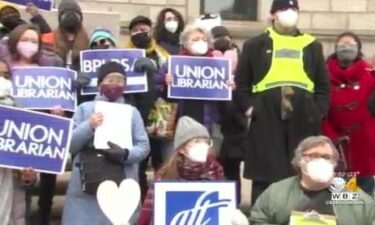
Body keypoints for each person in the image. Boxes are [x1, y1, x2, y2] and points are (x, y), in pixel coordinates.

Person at [235, 0, 330, 205]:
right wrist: (251, 108)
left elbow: (323, 85)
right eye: (284, 9)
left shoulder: (312, 45)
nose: (290, 13)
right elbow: (242, 82)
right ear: (273, 15)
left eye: (294, 9)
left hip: (304, 113)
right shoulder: (255, 45)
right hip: (266, 113)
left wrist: (318, 111)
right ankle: (263, 214)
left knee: (303, 167)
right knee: (265, 169)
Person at [62, 61, 150, 225]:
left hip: (121, 177)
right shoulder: (84, 109)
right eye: (110, 80)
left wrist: (126, 154)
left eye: (120, 80)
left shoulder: (132, 112)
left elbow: (144, 147)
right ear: (99, 84)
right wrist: (88, 126)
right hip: (87, 180)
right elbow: (69, 144)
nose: (115, 84)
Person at [0, 23, 64, 225]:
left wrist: (55, 112)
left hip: (31, 139)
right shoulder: (5, 66)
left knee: (22, 194)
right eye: (24, 40)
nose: (29, 45)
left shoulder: (46, 70)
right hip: (7, 135)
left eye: (34, 41)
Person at [249, 136, 375, 225]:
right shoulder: (276, 193)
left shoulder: (356, 198)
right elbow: (258, 220)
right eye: (313, 155)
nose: (320, 160)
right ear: (299, 160)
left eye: (326, 157)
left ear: (334, 163)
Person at [138, 116, 225, 225]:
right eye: (197, 141)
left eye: (205, 141)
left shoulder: (216, 170)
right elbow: (147, 214)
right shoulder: (165, 175)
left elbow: (222, 209)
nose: (203, 145)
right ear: (182, 149)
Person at [322, 32, 375, 197]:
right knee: (342, 200)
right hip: (336, 147)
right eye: (342, 45)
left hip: (365, 146)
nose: (346, 48)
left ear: (358, 49)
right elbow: (320, 110)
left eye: (351, 45)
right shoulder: (323, 75)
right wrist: (331, 136)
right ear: (335, 48)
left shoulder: (369, 75)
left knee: (364, 200)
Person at [125, 15, 169, 202]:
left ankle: (159, 205)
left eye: (144, 29)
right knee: (139, 166)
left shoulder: (163, 55)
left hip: (159, 115)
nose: (140, 33)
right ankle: (140, 205)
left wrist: (163, 80)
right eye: (135, 31)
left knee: (161, 164)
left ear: (151, 31)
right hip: (135, 117)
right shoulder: (123, 55)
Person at [0, 58, 38, 225]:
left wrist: (28, 177)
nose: (2, 80)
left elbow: (28, 179)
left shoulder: (22, 123)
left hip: (10, 211)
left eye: (6, 75)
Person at [210, 25, 245, 204]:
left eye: (224, 36)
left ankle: (234, 207)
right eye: (216, 37)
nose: (221, 40)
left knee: (231, 172)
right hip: (213, 125)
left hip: (234, 129)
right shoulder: (206, 61)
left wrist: (235, 89)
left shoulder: (243, 63)